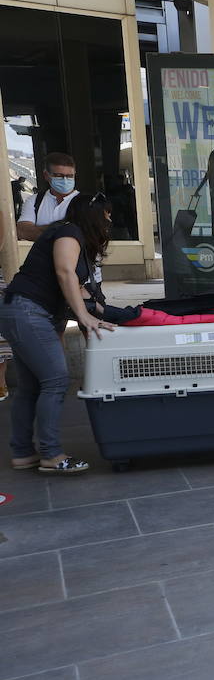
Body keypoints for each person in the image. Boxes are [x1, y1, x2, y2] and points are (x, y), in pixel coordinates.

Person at [1, 194, 118, 473]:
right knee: (55, 380)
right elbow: (65, 273)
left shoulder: (73, 238)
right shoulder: (69, 232)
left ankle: (22, 453)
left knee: (31, 386)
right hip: (29, 311)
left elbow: (80, 288)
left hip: (23, 310)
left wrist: (112, 313)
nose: (109, 220)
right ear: (92, 216)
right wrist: (83, 316)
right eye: (106, 214)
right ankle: (52, 455)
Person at [18, 152, 80, 242]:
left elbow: (86, 234)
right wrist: (65, 231)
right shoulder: (34, 200)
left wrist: (41, 230)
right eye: (59, 176)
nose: (65, 180)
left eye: (70, 176)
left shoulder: (84, 202)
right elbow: (22, 231)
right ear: (46, 175)